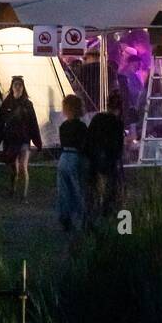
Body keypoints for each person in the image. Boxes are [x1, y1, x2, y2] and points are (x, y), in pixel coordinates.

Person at [0, 76, 42, 199]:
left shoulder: (28, 104)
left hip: (24, 139)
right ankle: (13, 189)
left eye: (20, 85)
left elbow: (33, 123)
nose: (18, 87)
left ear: (23, 87)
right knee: (13, 167)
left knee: (23, 167)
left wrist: (37, 142)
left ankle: (23, 195)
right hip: (10, 140)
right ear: (12, 87)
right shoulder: (6, 103)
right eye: (16, 85)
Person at [87, 90, 125, 218]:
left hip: (95, 157)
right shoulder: (118, 123)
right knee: (110, 186)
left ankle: (94, 209)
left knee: (97, 186)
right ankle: (107, 210)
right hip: (109, 159)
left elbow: (89, 136)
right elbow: (118, 144)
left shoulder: (98, 118)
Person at [57, 94, 89, 231]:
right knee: (78, 189)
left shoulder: (63, 126)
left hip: (64, 157)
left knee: (63, 190)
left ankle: (65, 216)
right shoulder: (81, 127)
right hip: (76, 157)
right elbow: (84, 144)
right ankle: (82, 218)